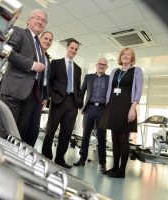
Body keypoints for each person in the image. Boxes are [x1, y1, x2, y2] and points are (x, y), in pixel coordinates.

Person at [0, 9, 47, 140]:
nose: (40, 21)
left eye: (43, 20)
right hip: (14, 90)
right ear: (29, 20)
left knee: (18, 134)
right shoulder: (19, 32)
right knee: (7, 131)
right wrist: (32, 65)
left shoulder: (39, 46)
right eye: (37, 18)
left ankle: (10, 160)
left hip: (30, 96)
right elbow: (8, 52)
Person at [99, 47, 143, 178]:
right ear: (120, 57)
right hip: (113, 106)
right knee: (114, 139)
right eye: (124, 54)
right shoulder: (114, 71)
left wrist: (133, 108)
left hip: (126, 107)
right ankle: (115, 167)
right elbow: (109, 90)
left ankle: (122, 170)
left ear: (132, 58)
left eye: (129, 54)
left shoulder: (136, 71)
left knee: (123, 139)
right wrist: (107, 105)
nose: (126, 56)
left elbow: (139, 90)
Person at [41, 39, 82, 169]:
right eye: (72, 48)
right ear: (67, 47)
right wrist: (51, 95)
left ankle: (60, 159)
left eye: (76, 49)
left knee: (67, 133)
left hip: (72, 104)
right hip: (58, 100)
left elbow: (77, 87)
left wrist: (78, 102)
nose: (73, 51)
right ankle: (46, 155)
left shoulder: (78, 69)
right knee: (51, 130)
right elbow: (49, 80)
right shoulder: (56, 63)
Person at [73, 57, 109, 173]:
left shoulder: (109, 79)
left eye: (104, 64)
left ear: (106, 67)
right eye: (100, 64)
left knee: (102, 137)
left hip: (103, 110)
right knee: (86, 135)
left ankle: (102, 162)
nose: (101, 66)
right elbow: (81, 93)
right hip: (90, 108)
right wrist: (81, 106)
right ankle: (82, 159)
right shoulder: (88, 77)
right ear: (96, 65)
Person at [24, 31, 54, 147]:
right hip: (28, 92)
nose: (47, 41)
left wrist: (46, 97)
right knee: (24, 124)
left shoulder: (47, 59)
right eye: (45, 38)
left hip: (39, 96)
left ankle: (28, 151)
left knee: (34, 129)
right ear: (39, 39)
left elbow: (47, 80)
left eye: (50, 40)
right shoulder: (33, 54)